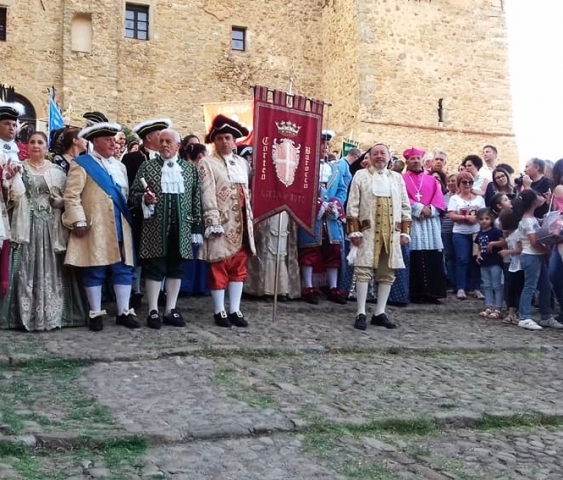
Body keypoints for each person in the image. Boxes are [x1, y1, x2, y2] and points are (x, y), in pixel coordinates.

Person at [1, 132, 85, 330]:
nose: (36, 145)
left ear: (47, 147)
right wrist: (8, 181)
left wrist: (61, 202)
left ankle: (55, 314)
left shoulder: (57, 171)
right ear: (27, 146)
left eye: (40, 142)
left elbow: (71, 196)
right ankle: (23, 315)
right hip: (26, 225)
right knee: (25, 267)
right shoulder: (18, 168)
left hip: (52, 226)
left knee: (54, 268)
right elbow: (10, 198)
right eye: (32, 142)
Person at [63, 122, 139, 331]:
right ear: (95, 141)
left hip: (121, 224)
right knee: (95, 268)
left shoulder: (120, 166)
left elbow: (125, 197)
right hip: (96, 225)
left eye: (114, 140)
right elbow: (71, 196)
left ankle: (124, 311)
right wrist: (78, 219)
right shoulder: (82, 164)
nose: (113, 144)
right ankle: (95, 312)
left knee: (123, 268)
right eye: (108, 140)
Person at [130, 129, 202, 329]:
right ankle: (153, 309)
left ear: (178, 145)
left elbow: (196, 199)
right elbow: (134, 193)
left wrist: (196, 226)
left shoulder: (189, 170)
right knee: (154, 266)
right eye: (161, 141)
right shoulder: (147, 167)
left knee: (176, 267)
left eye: (168, 141)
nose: (164, 145)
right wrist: (143, 199)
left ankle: (171, 309)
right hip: (155, 226)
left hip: (182, 226)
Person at [198, 114, 256, 328]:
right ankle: (219, 310)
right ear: (214, 140)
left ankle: (235, 309)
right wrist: (212, 220)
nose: (224, 141)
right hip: (221, 222)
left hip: (241, 223)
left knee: (239, 267)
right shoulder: (207, 163)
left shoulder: (242, 163)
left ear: (234, 141)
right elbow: (207, 192)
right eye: (220, 137)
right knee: (219, 266)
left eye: (228, 138)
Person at [346, 143, 411, 330]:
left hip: (391, 233)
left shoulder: (397, 179)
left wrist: (406, 231)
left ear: (389, 157)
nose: (379, 156)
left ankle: (379, 312)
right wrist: (354, 231)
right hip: (367, 232)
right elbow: (352, 205)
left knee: (387, 272)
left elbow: (405, 206)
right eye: (375, 153)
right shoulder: (360, 175)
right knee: (363, 271)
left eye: (383, 153)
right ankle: (360, 312)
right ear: (370, 157)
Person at [122, 118, 172, 309]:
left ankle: (161, 290)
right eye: (160, 136)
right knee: (138, 254)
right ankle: (136, 290)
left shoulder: (168, 159)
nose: (164, 140)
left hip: (163, 214)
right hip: (140, 214)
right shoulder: (132, 159)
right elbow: (130, 187)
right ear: (150, 137)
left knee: (162, 252)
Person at [298, 130, 347, 305]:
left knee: (333, 250)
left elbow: (342, 189)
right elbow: (299, 190)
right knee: (309, 250)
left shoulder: (335, 168)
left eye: (326, 144)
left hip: (331, 216)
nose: (325, 147)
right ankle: (309, 286)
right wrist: (318, 205)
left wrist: (335, 203)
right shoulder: (303, 167)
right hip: (311, 215)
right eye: (321, 144)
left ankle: (333, 287)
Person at [402, 147, 447, 304]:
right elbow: (402, 197)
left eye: (417, 159)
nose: (415, 161)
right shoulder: (401, 179)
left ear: (422, 161)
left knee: (432, 255)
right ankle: (416, 293)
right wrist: (419, 208)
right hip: (413, 220)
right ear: (407, 161)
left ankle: (433, 293)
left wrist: (430, 210)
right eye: (412, 159)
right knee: (414, 254)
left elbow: (439, 198)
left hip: (430, 222)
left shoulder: (432, 179)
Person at [512, 189, 560, 330]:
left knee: (545, 286)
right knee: (530, 286)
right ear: (533, 201)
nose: (541, 198)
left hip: (536, 255)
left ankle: (546, 316)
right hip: (531, 255)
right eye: (538, 196)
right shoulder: (528, 221)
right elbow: (533, 241)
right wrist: (546, 250)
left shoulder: (531, 219)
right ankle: (524, 317)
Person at [448, 171, 485, 300]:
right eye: (464, 182)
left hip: (476, 233)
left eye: (470, 182)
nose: (467, 184)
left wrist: (478, 219)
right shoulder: (455, 199)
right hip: (460, 233)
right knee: (462, 259)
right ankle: (461, 287)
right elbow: (452, 215)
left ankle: (476, 288)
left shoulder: (479, 199)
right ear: (459, 184)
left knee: (477, 259)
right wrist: (465, 217)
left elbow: (484, 214)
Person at [180, 143, 210, 296]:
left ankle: (193, 284)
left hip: (194, 214)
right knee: (193, 250)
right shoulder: (192, 172)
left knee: (196, 250)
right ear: (200, 156)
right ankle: (192, 285)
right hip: (194, 214)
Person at [474, 208, 504, 319]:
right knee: (486, 285)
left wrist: (493, 243)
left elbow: (503, 241)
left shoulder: (495, 232)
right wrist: (478, 255)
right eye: (481, 219)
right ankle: (489, 306)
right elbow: (478, 245)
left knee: (496, 285)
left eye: (487, 218)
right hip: (484, 262)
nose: (484, 221)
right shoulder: (480, 233)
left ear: (491, 219)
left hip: (495, 261)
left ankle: (498, 308)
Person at [498, 209, 524, 325]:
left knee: (518, 288)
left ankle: (517, 312)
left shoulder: (517, 234)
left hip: (519, 265)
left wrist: (508, 252)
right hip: (513, 265)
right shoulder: (510, 234)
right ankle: (511, 312)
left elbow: (519, 249)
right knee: (511, 288)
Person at [442, 173, 457, 291]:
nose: (451, 183)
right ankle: (451, 282)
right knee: (448, 256)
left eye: (454, 180)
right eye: (449, 181)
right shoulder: (443, 197)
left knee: (460, 257)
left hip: (459, 230)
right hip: (446, 229)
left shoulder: (464, 197)